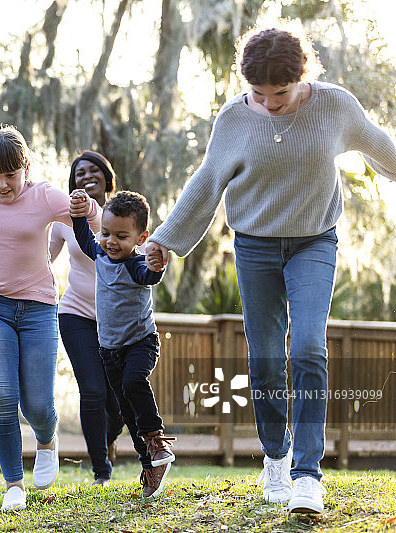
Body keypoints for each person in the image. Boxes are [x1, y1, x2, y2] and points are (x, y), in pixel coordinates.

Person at [144, 24, 396, 514]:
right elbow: (208, 180)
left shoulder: (335, 106)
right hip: (255, 247)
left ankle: (306, 476)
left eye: (279, 93)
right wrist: (165, 240)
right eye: (257, 93)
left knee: (306, 347)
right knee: (263, 360)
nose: (268, 103)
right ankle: (275, 457)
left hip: (313, 243)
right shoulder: (235, 118)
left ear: (304, 75)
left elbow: (383, 150)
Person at [0, 125, 101, 511]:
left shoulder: (44, 197)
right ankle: (13, 483)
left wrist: (86, 208)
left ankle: (47, 440)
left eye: (10, 175)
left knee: (37, 405)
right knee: (3, 397)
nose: (2, 185)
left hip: (39, 309)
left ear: (26, 166)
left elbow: (96, 222)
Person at [69, 189, 175, 499]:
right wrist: (78, 214)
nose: (111, 241)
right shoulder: (101, 253)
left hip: (140, 343)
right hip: (109, 349)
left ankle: (156, 439)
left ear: (140, 239)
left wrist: (157, 266)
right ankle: (151, 465)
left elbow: (149, 277)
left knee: (133, 382)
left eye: (121, 236)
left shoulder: (136, 264)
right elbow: (83, 237)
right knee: (127, 412)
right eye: (105, 232)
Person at [49, 151, 123, 486]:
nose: (87, 176)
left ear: (107, 178)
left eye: (94, 170)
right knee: (92, 391)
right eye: (80, 172)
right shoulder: (64, 218)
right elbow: (41, 258)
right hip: (75, 313)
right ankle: (101, 472)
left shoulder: (123, 212)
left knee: (119, 397)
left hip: (118, 318)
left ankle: (108, 439)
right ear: (72, 182)